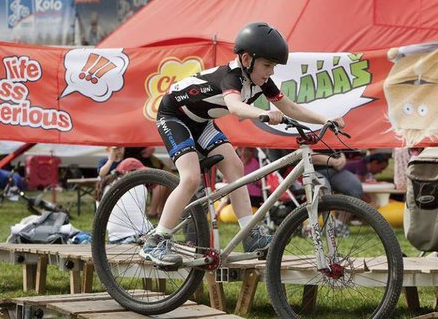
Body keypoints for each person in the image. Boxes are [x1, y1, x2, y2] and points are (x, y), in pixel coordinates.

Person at [140, 22, 345, 267]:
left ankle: (250, 235)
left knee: (235, 168)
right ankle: (155, 241)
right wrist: (263, 114)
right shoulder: (231, 77)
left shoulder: (260, 80)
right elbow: (235, 107)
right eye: (267, 65)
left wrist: (326, 119)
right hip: (174, 116)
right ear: (247, 59)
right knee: (190, 177)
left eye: (274, 67)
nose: (271, 72)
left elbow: (290, 108)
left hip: (201, 121)